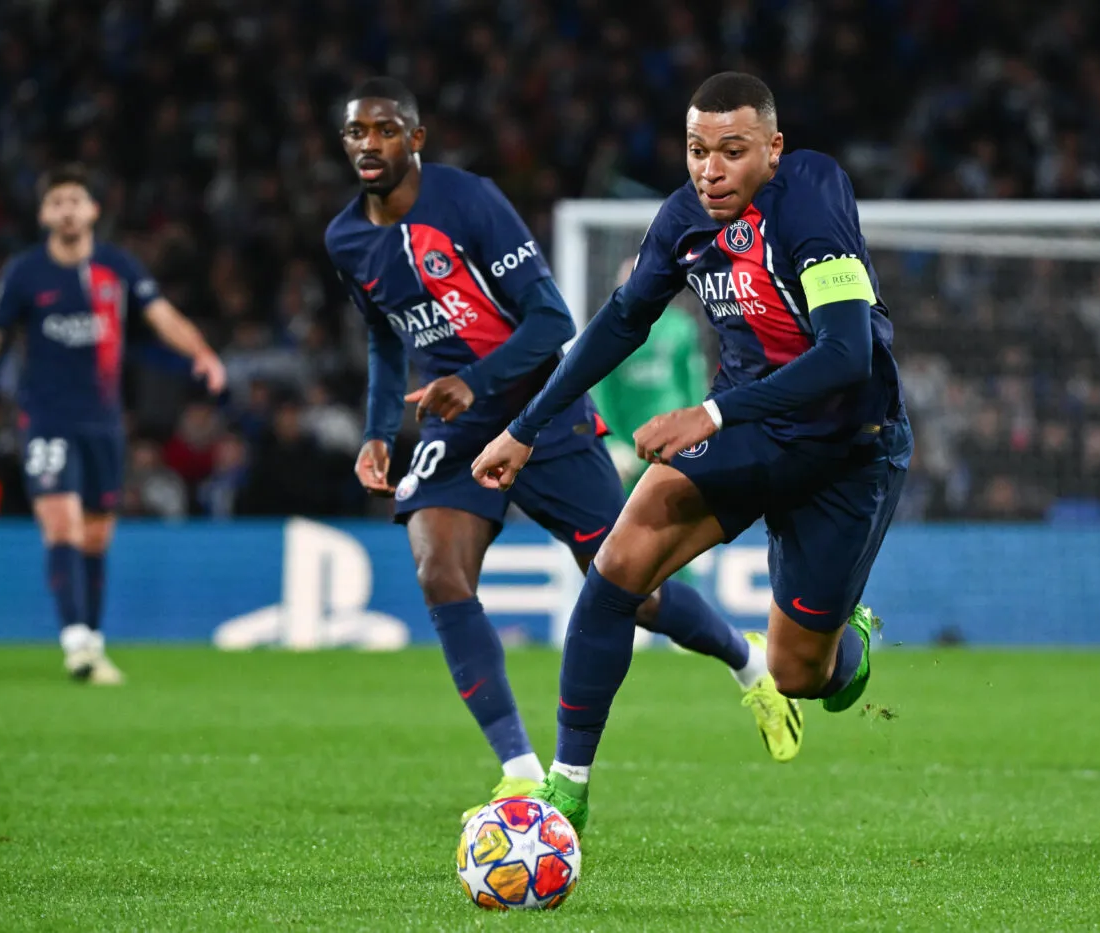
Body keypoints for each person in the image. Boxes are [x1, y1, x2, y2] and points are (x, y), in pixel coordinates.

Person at [324, 78, 803, 822]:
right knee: (440, 572)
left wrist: (475, 380)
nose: (369, 144)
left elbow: (552, 322)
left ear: (414, 139)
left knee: (634, 592)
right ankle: (519, 771)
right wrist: (378, 432)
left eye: (385, 130)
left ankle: (750, 666)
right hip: (454, 426)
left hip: (541, 411)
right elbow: (386, 338)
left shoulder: (470, 203)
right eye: (356, 133)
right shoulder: (346, 239)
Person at [472, 72, 910, 832]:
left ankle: (850, 644)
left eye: (732, 152)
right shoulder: (684, 220)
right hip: (748, 434)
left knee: (800, 673)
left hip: (848, 448)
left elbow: (846, 356)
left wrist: (708, 412)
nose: (711, 169)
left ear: (773, 150)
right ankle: (565, 792)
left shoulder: (813, 197)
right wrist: (525, 427)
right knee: (615, 572)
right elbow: (618, 322)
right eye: (697, 150)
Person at [0, 164, 226, 684]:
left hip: (104, 422)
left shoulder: (118, 267)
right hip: (45, 418)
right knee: (60, 523)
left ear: (93, 210)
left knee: (96, 537)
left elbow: (161, 316)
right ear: (44, 214)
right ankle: (77, 643)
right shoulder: (25, 272)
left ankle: (91, 637)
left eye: (75, 200)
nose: (66, 209)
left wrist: (201, 351)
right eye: (56, 201)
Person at [589, 258, 709, 493]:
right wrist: (609, 443)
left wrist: (697, 436)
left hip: (673, 444)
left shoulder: (680, 327)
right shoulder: (605, 333)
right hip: (627, 450)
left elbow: (694, 387)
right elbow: (598, 397)